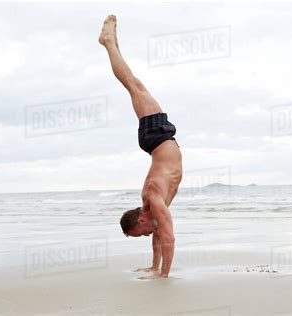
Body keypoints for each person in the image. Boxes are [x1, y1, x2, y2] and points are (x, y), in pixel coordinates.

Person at [99, 15, 183, 279]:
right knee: (134, 85)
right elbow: (159, 235)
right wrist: (154, 267)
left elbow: (168, 238)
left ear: (141, 219)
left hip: (158, 137)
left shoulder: (154, 201)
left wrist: (163, 276)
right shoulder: (151, 207)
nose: (146, 234)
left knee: (133, 85)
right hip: (157, 140)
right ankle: (112, 43)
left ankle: (109, 43)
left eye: (142, 232)